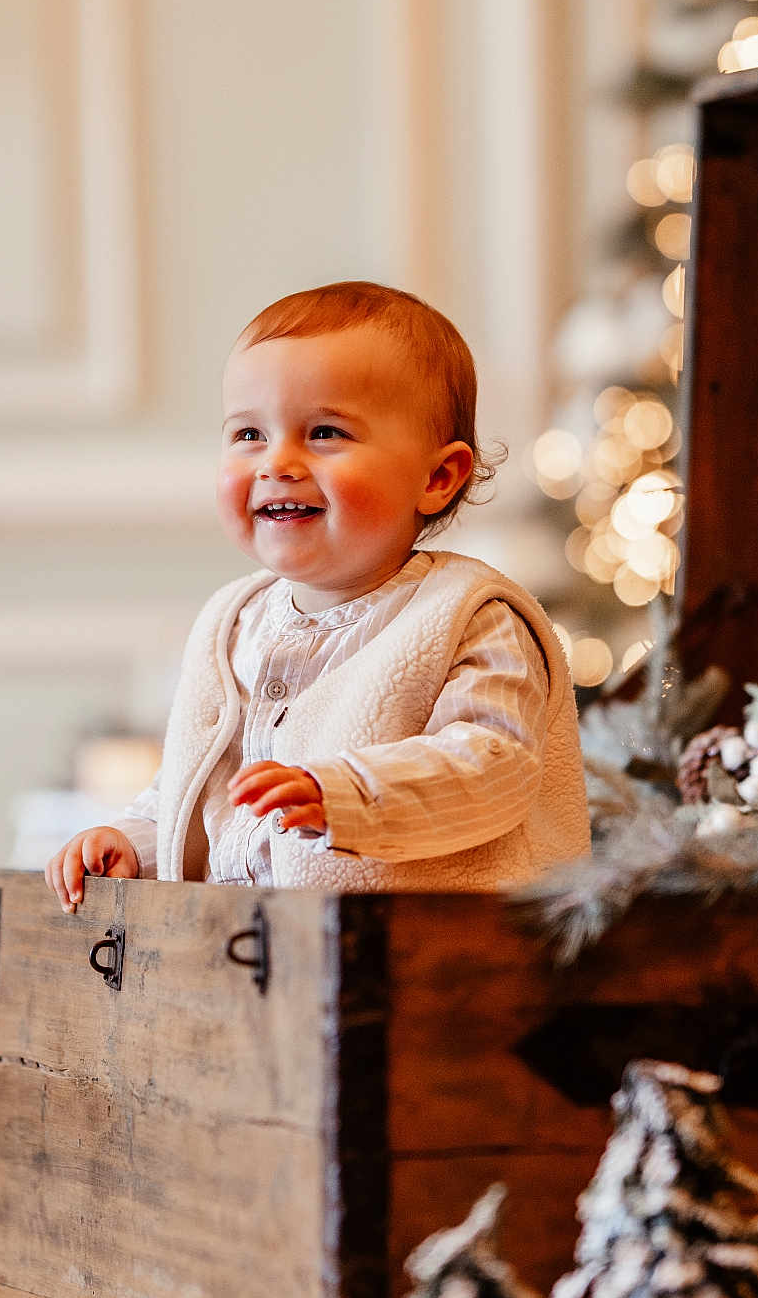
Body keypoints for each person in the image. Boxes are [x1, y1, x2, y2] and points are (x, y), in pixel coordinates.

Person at [45, 281, 588, 904]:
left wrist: (348, 795)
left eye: (325, 432)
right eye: (249, 434)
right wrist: (133, 840)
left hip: (425, 957)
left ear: (437, 477)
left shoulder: (470, 616)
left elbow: (492, 767)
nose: (278, 462)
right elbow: (198, 786)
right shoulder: (235, 620)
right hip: (250, 957)